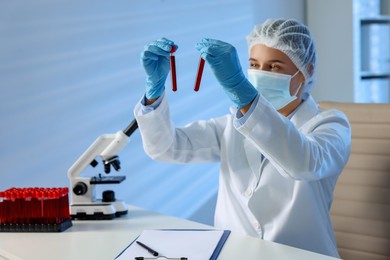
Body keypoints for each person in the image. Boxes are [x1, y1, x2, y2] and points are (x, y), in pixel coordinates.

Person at [134, 18, 351, 258]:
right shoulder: (232, 125)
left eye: (274, 67)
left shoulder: (331, 125)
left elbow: (304, 163)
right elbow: (166, 147)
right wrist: (153, 93)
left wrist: (240, 90)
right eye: (254, 65)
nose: (261, 74)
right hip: (233, 253)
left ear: (307, 71)